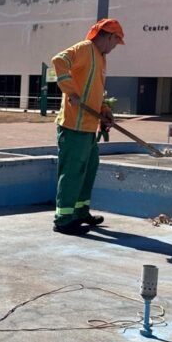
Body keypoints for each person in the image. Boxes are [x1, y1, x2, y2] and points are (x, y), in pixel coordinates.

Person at [50, 18, 124, 236]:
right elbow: (58, 61)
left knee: (88, 170)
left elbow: (95, 90)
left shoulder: (100, 58)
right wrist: (70, 91)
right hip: (74, 127)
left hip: (89, 128)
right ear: (109, 36)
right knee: (73, 172)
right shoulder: (84, 49)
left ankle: (80, 212)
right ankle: (63, 219)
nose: (114, 48)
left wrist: (104, 110)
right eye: (115, 42)